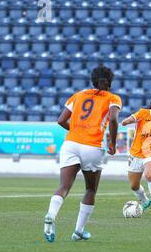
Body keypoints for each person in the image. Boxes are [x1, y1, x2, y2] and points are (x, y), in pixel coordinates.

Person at [43, 64, 121, 242]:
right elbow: (114, 120)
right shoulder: (113, 98)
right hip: (92, 146)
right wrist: (113, 143)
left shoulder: (78, 95)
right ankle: (78, 231)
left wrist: (77, 131)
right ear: (110, 82)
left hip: (70, 144)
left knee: (64, 187)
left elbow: (61, 120)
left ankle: (50, 215)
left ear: (92, 80)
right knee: (90, 189)